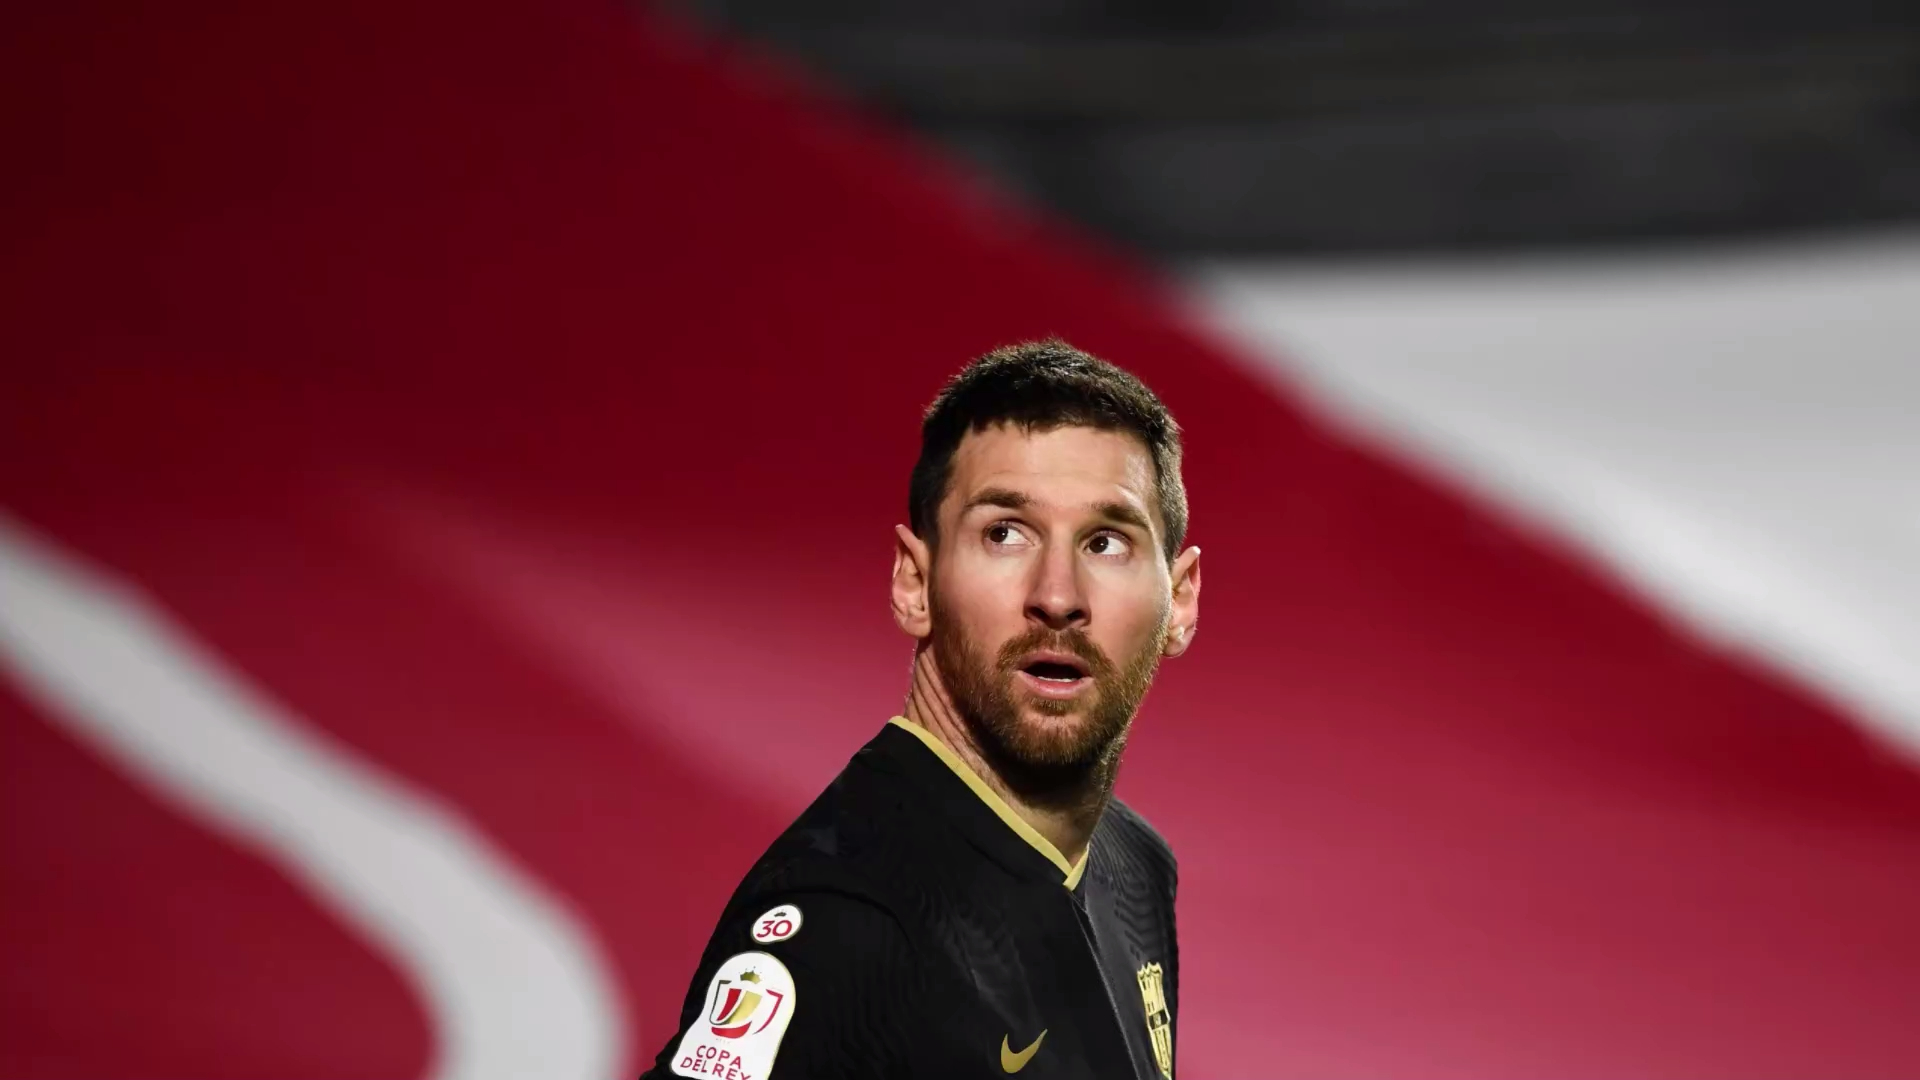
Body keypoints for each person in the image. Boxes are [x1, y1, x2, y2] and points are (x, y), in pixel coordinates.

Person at [640, 340, 1201, 1080]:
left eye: (1106, 542)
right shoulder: (847, 921)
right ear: (914, 584)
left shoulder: (1133, 867)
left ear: (1180, 602)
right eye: (1004, 533)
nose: (1058, 595)